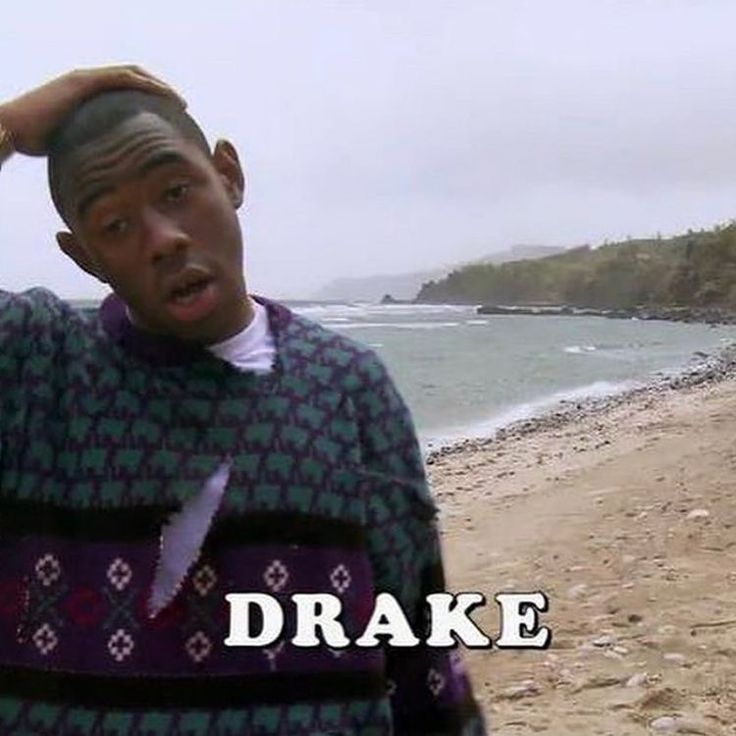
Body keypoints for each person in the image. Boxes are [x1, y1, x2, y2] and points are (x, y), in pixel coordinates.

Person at [0, 67, 486, 735]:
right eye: (114, 224)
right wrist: (8, 126)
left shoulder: (348, 386)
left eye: (176, 191)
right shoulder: (34, 368)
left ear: (227, 175)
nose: (162, 236)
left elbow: (417, 629)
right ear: (83, 256)